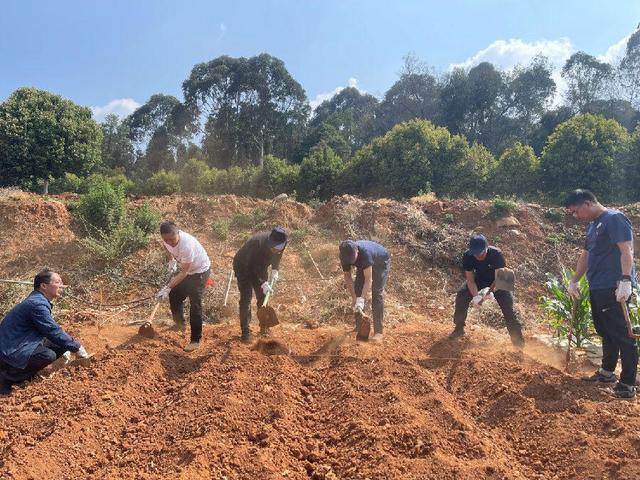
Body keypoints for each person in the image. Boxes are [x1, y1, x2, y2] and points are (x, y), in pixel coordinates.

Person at [565, 189, 637, 400]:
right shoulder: (592, 227)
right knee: (605, 330)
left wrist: (625, 280)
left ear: (587, 203)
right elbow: (585, 256)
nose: (576, 216)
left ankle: (627, 383)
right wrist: (574, 280)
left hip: (614, 287)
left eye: (576, 211)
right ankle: (607, 373)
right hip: (598, 286)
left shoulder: (614, 219)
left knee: (623, 335)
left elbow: (627, 250)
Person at [0, 270, 90, 395]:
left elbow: (50, 331)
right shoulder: (37, 304)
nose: (62, 286)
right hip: (10, 349)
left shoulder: (39, 301)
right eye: (58, 282)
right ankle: (7, 378)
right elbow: (51, 330)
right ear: (44, 286)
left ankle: (25, 372)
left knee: (61, 345)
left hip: (19, 342)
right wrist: (77, 347)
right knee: (47, 355)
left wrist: (68, 347)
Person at [449, 234, 524, 347]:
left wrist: (489, 292)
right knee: (462, 295)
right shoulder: (468, 256)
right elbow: (470, 280)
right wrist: (476, 297)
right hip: (480, 277)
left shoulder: (496, 254)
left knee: (508, 308)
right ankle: (459, 328)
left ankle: (518, 343)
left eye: (480, 253)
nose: (478, 256)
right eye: (475, 253)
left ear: (487, 247)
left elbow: (499, 278)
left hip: (500, 278)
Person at [158, 221, 211, 352]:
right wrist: (171, 259)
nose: (169, 242)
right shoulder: (167, 240)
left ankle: (195, 340)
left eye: (172, 239)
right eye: (166, 239)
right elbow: (166, 246)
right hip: (187, 270)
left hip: (200, 272)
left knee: (195, 304)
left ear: (178, 233)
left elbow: (184, 273)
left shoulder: (186, 245)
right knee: (175, 295)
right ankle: (180, 324)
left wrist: (167, 287)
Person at [233, 227, 288, 343]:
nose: (275, 250)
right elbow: (252, 268)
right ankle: (245, 332)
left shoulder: (283, 242)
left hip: (260, 266)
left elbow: (278, 255)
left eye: (278, 248)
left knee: (263, 296)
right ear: (269, 241)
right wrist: (262, 282)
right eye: (273, 247)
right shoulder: (257, 244)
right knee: (246, 298)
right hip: (243, 265)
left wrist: (275, 269)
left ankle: (264, 327)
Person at [339, 240, 390, 342]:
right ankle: (359, 327)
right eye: (349, 259)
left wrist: (361, 299)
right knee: (357, 291)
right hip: (364, 265)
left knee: (377, 293)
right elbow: (348, 277)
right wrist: (354, 297)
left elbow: (368, 279)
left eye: (353, 258)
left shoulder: (365, 253)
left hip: (381, 262)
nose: (351, 261)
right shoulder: (344, 256)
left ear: (356, 250)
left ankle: (378, 331)